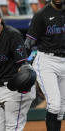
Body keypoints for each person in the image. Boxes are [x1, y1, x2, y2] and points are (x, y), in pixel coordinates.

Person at [25, 0, 65, 130]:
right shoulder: (41, 14)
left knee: (61, 108)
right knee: (54, 105)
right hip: (47, 61)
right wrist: (21, 63)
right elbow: (29, 43)